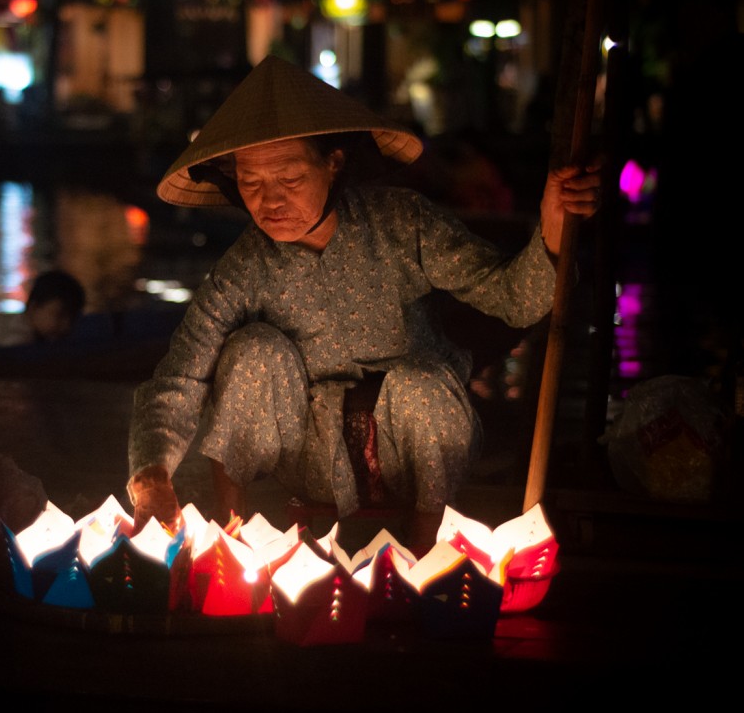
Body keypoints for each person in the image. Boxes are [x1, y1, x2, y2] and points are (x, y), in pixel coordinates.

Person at [125, 55, 601, 550]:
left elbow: (514, 299)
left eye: (289, 180)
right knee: (250, 351)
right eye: (251, 184)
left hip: (412, 450)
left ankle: (422, 551)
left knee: (423, 382)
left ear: (333, 162)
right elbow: (180, 376)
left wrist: (552, 222)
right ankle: (231, 535)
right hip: (313, 460)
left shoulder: (401, 222)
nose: (270, 202)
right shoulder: (242, 268)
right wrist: (151, 473)